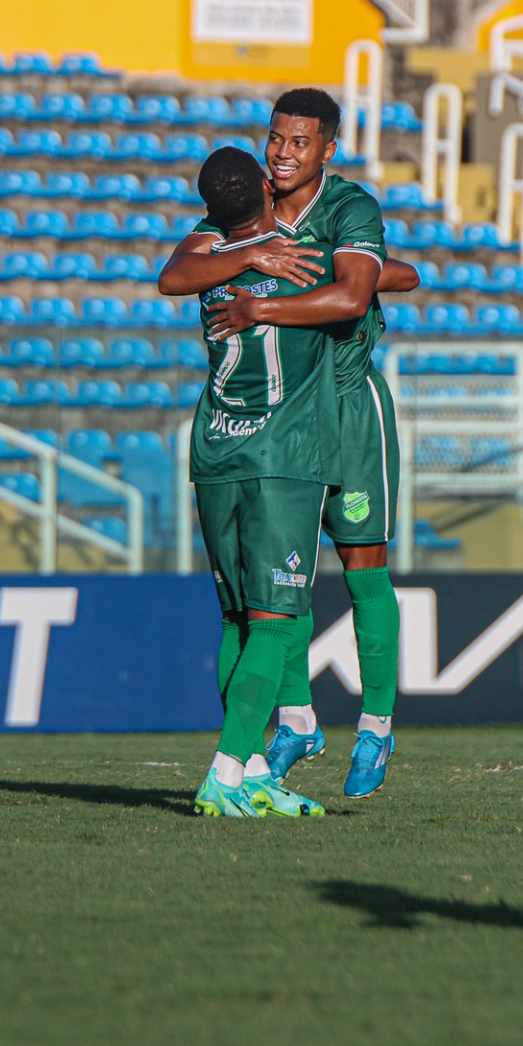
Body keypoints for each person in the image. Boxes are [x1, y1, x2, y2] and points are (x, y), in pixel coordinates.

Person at [164, 89, 416, 800]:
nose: (282, 152)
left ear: (327, 148)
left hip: (348, 403)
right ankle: (298, 718)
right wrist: (262, 261)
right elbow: (177, 273)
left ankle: (375, 722)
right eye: (276, 138)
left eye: (298, 142)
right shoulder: (248, 211)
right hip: (284, 423)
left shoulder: (350, 207)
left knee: (364, 570)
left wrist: (264, 298)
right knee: (283, 588)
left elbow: (365, 287)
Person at [186, 147, 346, 820]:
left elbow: (173, 274)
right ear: (262, 184)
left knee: (236, 617)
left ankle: (252, 769)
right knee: (277, 622)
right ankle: (225, 770)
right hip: (282, 456)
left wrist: (243, 256)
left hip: (216, 449)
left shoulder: (205, 254)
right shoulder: (302, 253)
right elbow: (372, 285)